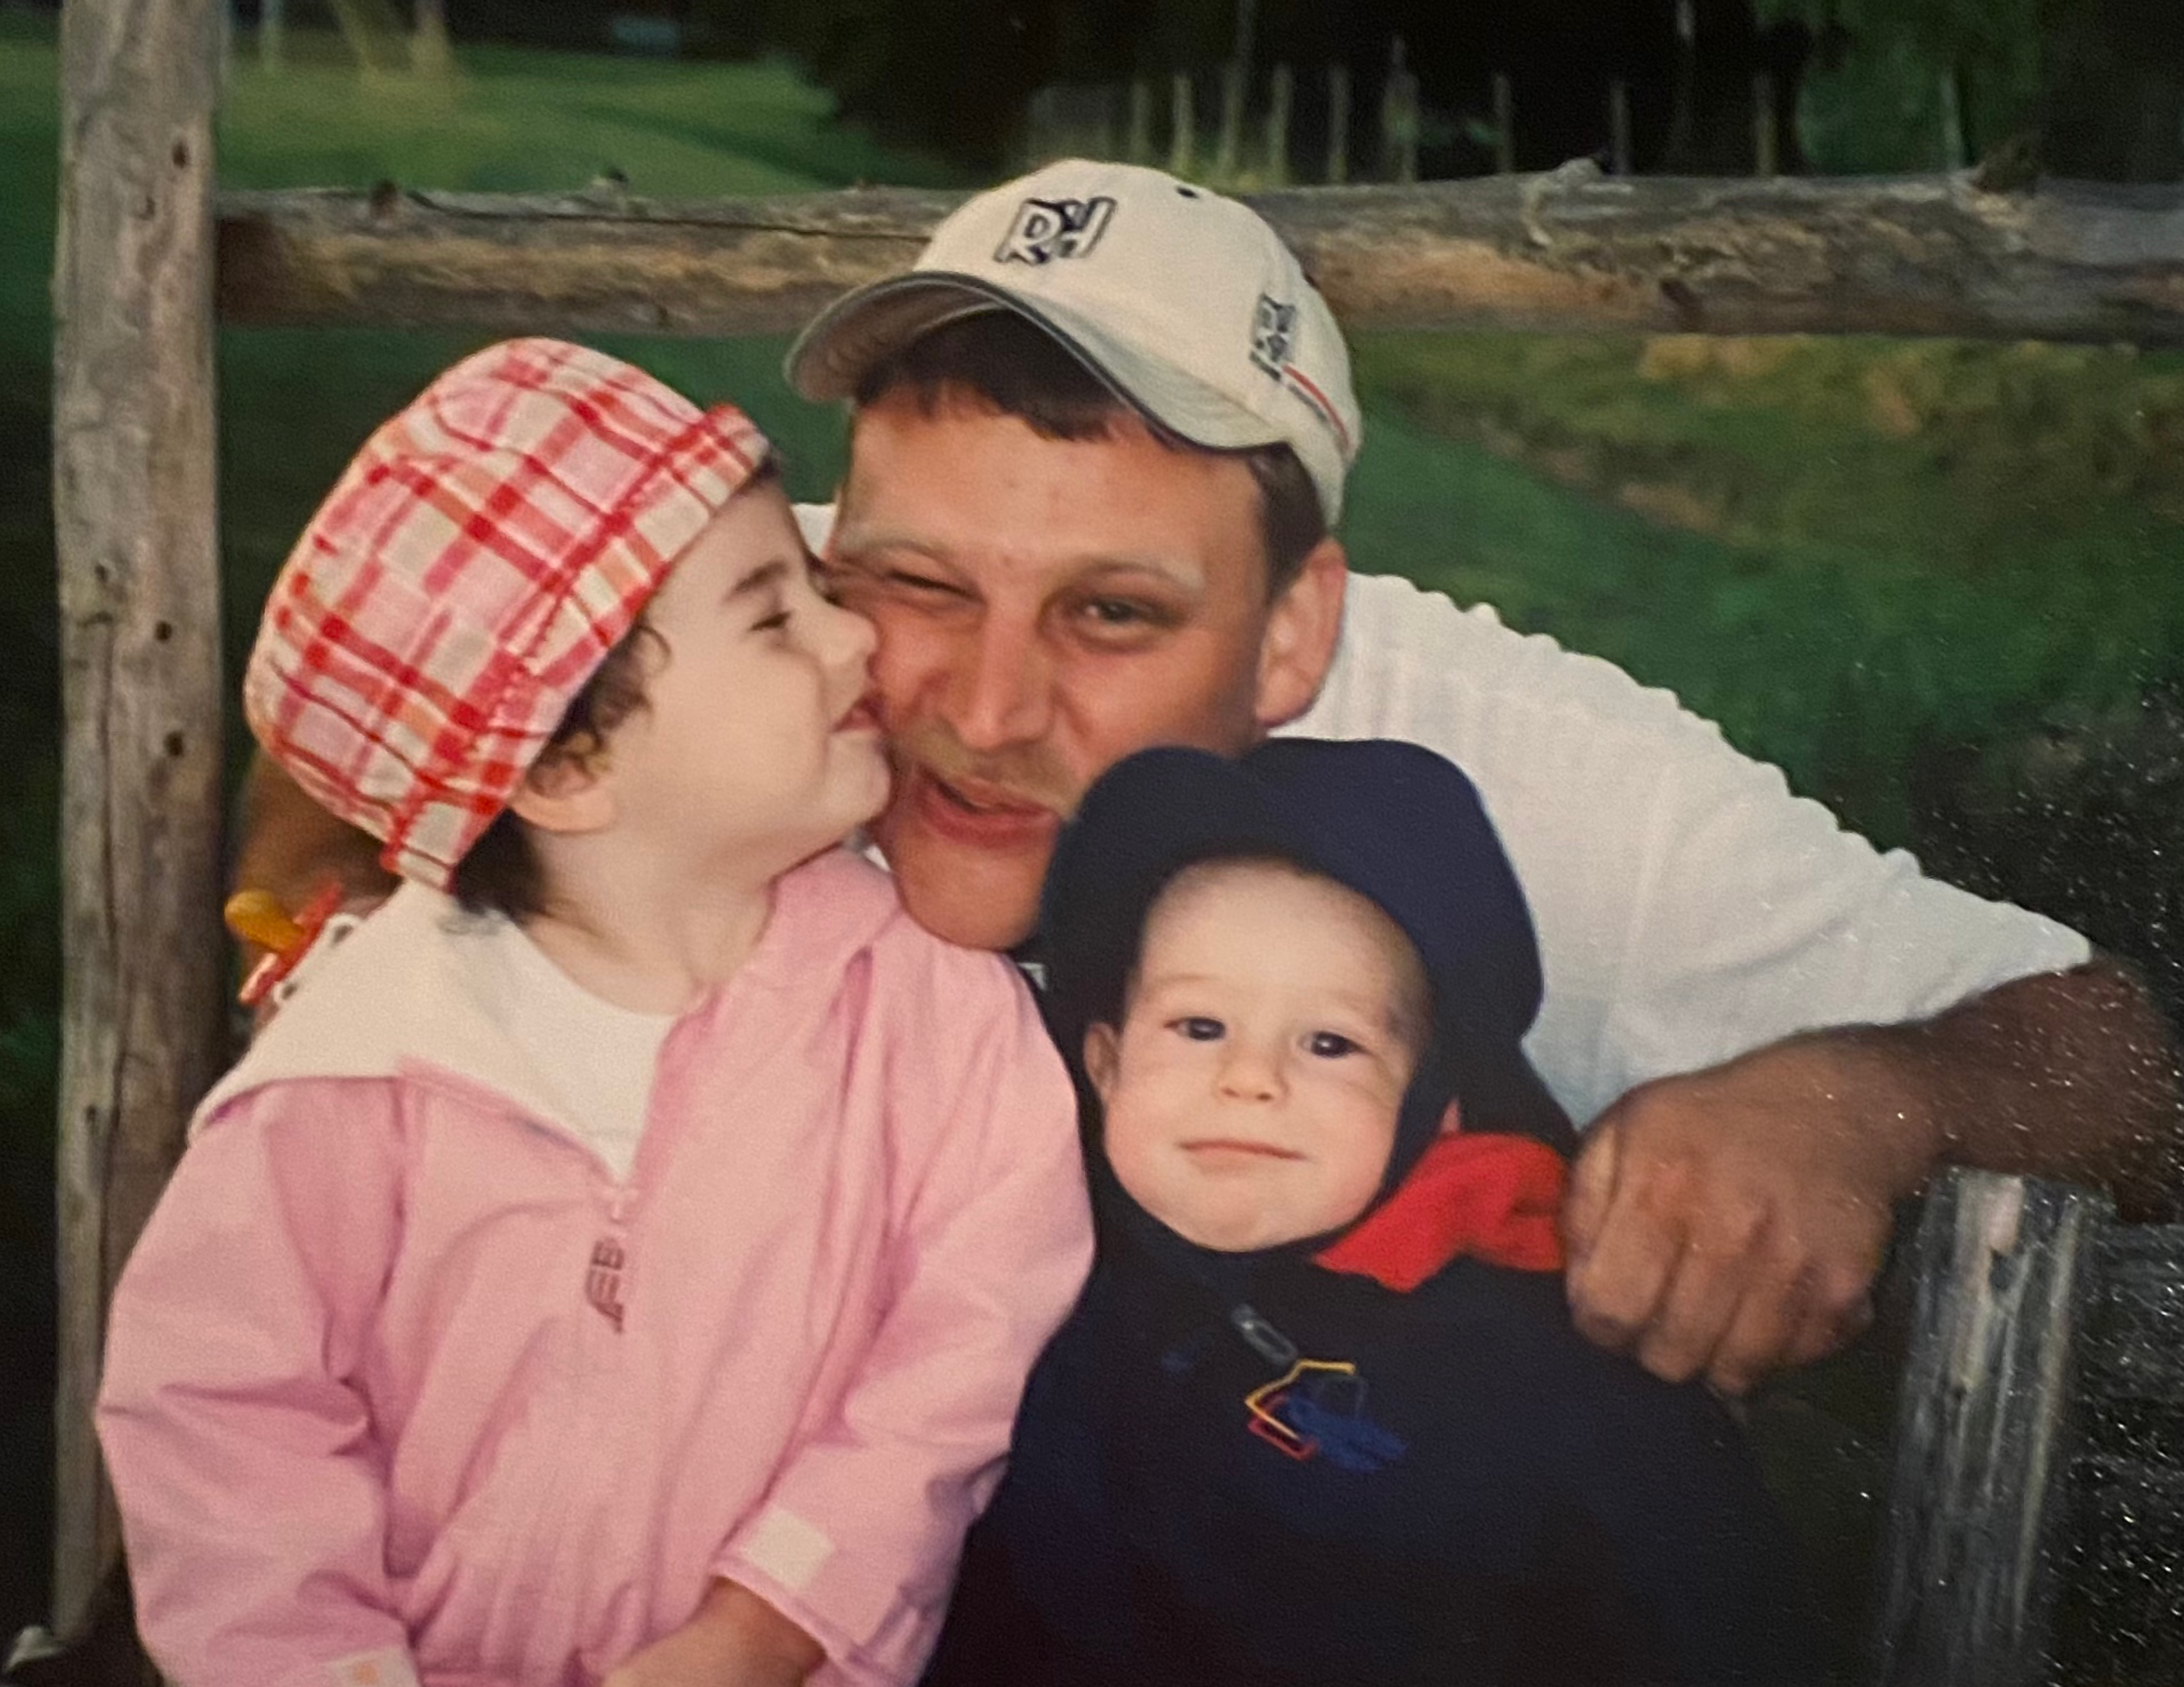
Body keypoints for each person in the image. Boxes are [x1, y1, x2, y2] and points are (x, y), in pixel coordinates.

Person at [233, 159, 2183, 1402]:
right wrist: (311, 921)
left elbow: (2120, 1061)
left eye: (1107, 616)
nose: (978, 709)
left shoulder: (1509, 770)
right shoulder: (740, 629)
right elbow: (363, 703)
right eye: (914, 582)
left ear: (1287, 636)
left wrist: (1867, 1091)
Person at [97, 340, 1093, 1687]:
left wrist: (764, 1629)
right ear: (565, 767)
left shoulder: (937, 1032)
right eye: (771, 614)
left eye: (813, 587)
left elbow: (952, 1382)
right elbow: (223, 1419)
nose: (853, 633)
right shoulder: (365, 1069)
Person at [924, 737, 1826, 1687]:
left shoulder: (1553, 1372)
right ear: (1105, 1066)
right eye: (1198, 1028)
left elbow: (1721, 1626)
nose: (1249, 1080)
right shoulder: (1026, 1269)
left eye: (1329, 1043)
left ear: (1433, 1102)